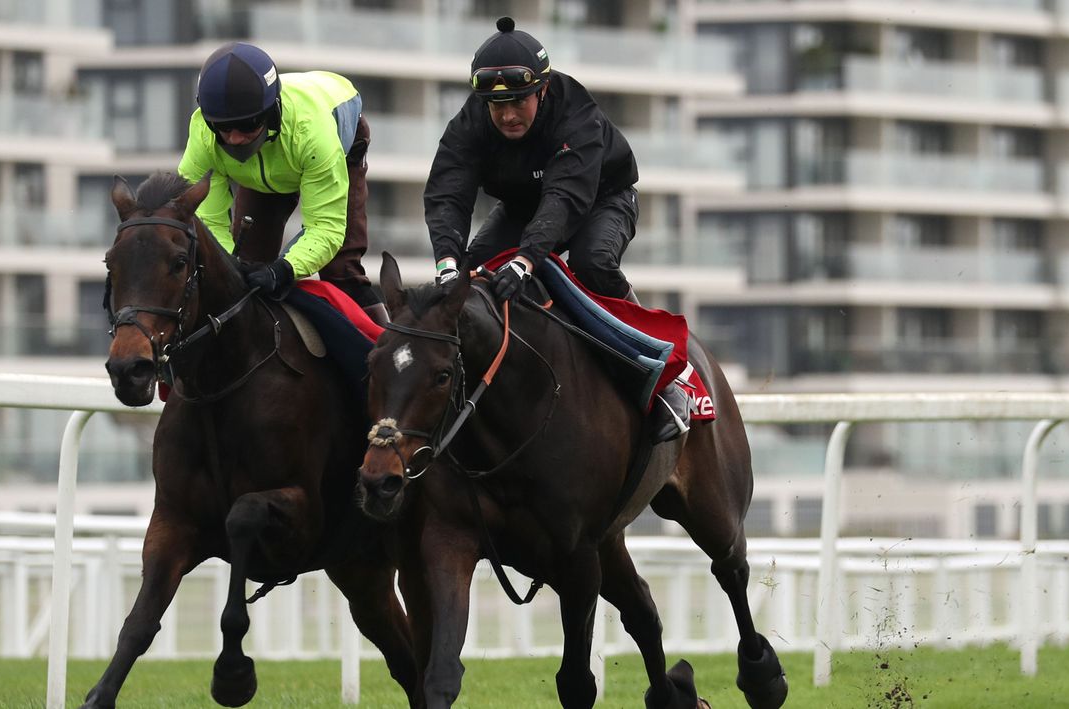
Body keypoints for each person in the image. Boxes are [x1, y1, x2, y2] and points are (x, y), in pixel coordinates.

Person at [422, 17, 689, 441]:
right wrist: (448, 263)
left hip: (601, 198)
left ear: (542, 90)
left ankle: (660, 377)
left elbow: (565, 199)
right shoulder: (471, 121)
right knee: (470, 278)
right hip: (524, 207)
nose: (508, 115)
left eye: (519, 102)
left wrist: (526, 260)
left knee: (592, 262)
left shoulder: (575, 111)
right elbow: (447, 194)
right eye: (497, 106)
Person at [178, 42, 389, 324]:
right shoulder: (203, 134)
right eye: (224, 128)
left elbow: (326, 228)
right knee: (245, 270)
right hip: (270, 164)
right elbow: (208, 220)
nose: (236, 139)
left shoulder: (313, 134)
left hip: (333, 134)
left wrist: (284, 270)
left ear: (270, 111)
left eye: (248, 125)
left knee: (341, 273)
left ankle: (388, 353)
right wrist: (231, 271)